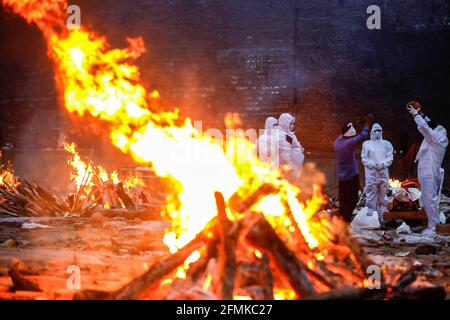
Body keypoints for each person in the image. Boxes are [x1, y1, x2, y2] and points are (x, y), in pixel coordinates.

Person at [407, 101, 448, 236]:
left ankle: (433, 226)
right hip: (425, 172)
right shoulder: (435, 136)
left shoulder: (440, 139)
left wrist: (416, 117)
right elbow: (429, 125)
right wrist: (421, 114)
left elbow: (428, 129)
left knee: (430, 199)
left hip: (431, 172)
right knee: (426, 199)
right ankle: (432, 224)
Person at [334, 114, 372, 222]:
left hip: (341, 178)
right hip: (351, 177)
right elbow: (363, 135)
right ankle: (345, 223)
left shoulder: (337, 142)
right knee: (352, 201)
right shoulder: (348, 143)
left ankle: (340, 224)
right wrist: (367, 123)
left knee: (343, 201)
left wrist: (354, 124)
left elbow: (344, 132)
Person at [361, 123, 394, 223]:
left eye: (379, 130)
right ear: (371, 132)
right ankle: (371, 218)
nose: (377, 132)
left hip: (383, 172)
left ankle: (383, 216)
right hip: (371, 173)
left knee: (383, 194)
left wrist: (383, 164)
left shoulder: (387, 144)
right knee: (371, 194)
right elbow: (364, 158)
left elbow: (390, 157)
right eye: (375, 130)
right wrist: (372, 164)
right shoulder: (366, 144)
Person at [278, 113, 304, 184]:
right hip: (288, 172)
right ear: (284, 123)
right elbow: (285, 154)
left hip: (292, 170)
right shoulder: (283, 136)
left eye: (293, 124)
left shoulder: (288, 134)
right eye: (290, 124)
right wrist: (291, 168)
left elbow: (292, 147)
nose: (292, 126)